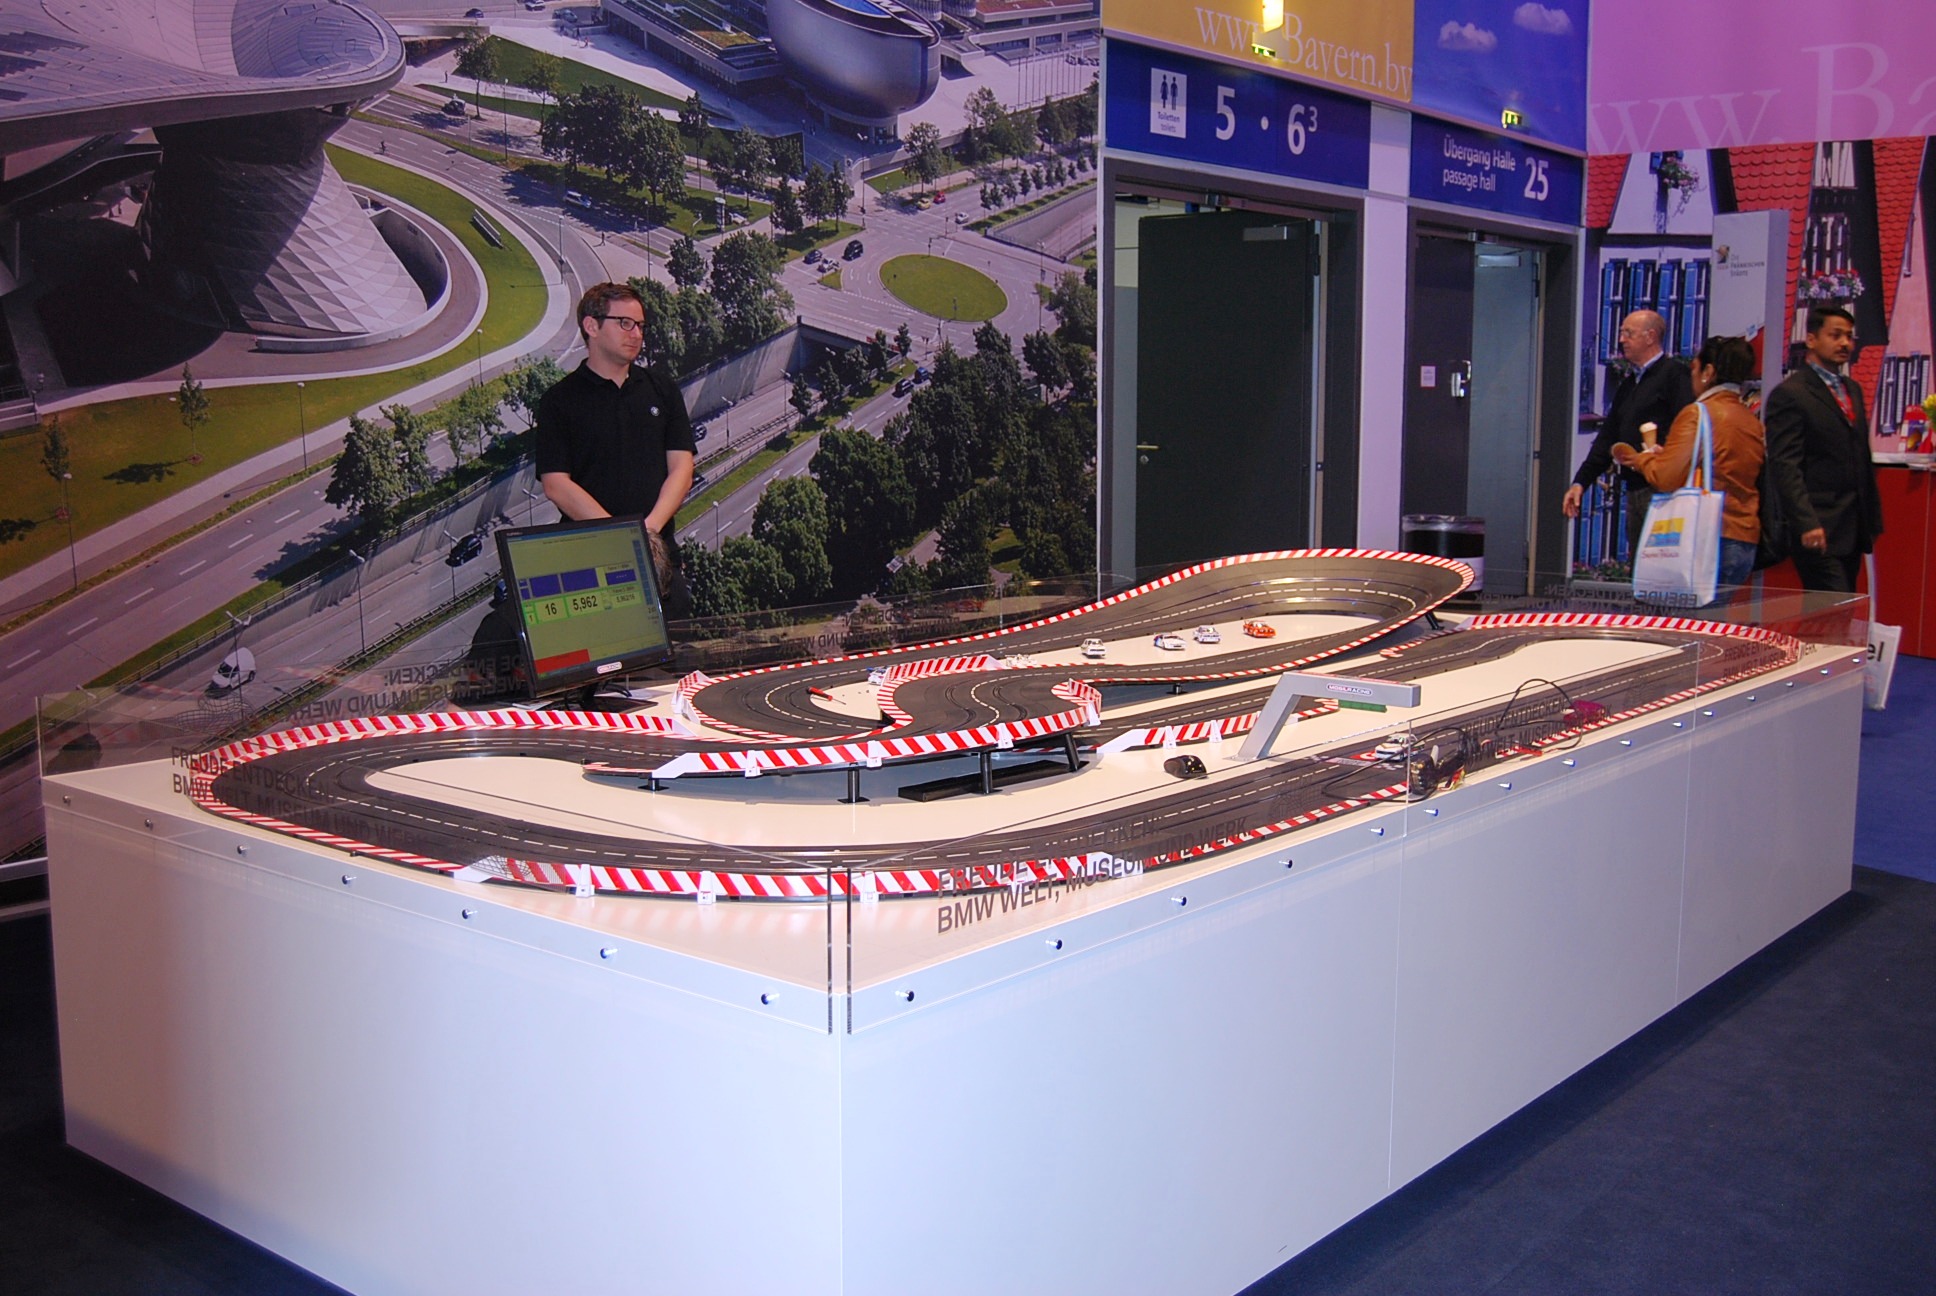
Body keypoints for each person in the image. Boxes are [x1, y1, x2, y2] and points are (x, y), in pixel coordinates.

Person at [535, 282, 696, 615]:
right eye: (625, 323)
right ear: (591, 326)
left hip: (658, 558)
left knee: (673, 639)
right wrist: (623, 537)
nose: (636, 334)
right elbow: (556, 484)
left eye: (640, 325)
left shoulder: (662, 389)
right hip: (587, 564)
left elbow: (682, 468)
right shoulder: (559, 401)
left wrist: (648, 531)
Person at [1612, 334, 1764, 596]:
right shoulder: (1749, 419)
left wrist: (1642, 459)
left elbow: (1666, 477)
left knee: (1682, 618)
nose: (1691, 376)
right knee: (1715, 618)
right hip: (1743, 537)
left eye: (1694, 368)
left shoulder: (1698, 413)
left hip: (1704, 538)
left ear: (1708, 372)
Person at [1763, 305, 1883, 592]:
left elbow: (1858, 455)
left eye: (1849, 337)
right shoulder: (1791, 393)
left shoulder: (1852, 389)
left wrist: (1871, 517)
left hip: (1853, 523)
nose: (1844, 343)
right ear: (1812, 339)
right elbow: (1785, 465)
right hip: (1818, 522)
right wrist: (1805, 521)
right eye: (1835, 335)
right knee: (1832, 603)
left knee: (1844, 605)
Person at [1565, 309, 1696, 557]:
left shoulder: (1674, 375)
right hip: (1637, 489)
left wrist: (1665, 454)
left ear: (1650, 336)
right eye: (1621, 333)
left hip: (1665, 493)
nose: (1621, 339)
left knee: (1660, 566)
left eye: (1628, 333)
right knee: (1641, 567)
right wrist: (1580, 482)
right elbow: (1608, 437)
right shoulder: (1629, 384)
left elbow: (1688, 428)